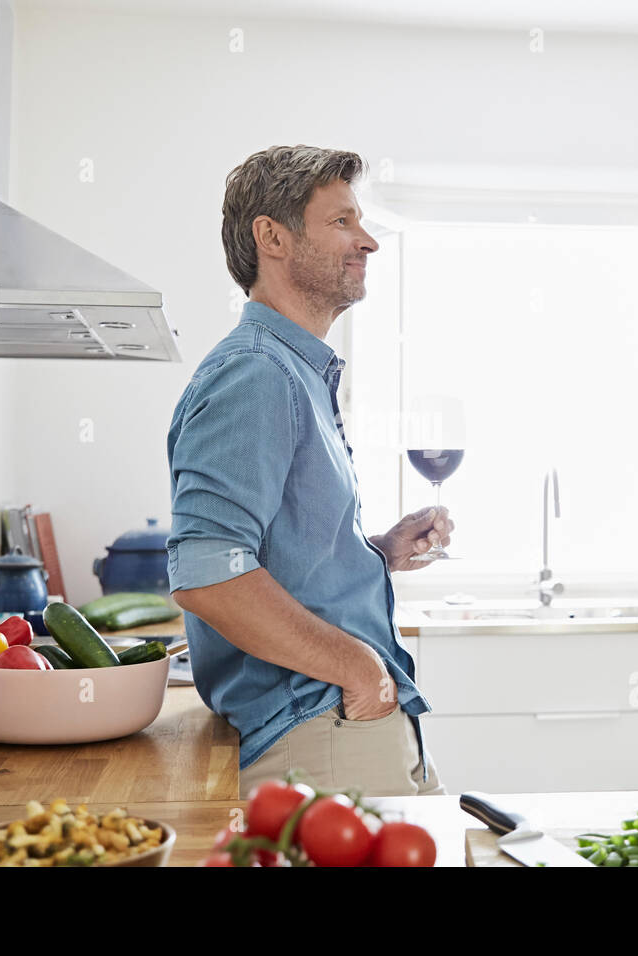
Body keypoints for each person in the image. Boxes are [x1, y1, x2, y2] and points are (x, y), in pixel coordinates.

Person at [166, 145, 454, 799]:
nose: (369, 242)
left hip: (338, 719)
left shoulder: (291, 368)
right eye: (342, 222)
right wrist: (357, 667)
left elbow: (272, 555)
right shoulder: (257, 373)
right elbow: (210, 575)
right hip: (318, 727)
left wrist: (375, 553)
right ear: (272, 236)